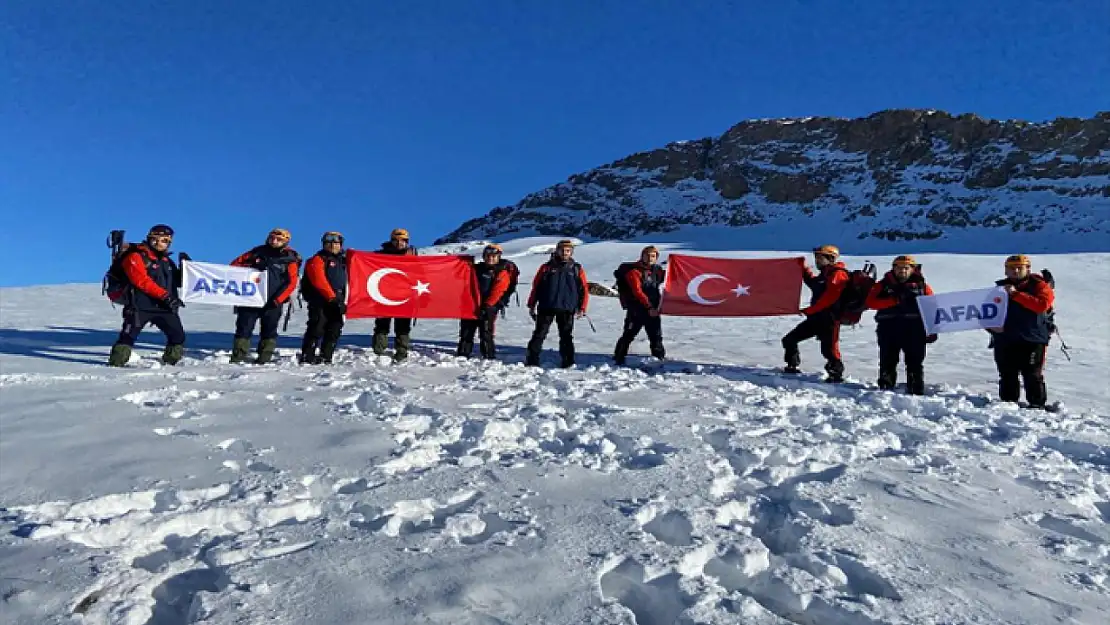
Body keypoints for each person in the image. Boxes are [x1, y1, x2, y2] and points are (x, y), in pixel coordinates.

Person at [107, 224, 186, 367]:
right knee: (127, 338)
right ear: (149, 238)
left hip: (164, 307)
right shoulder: (135, 256)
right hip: (139, 306)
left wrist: (186, 267)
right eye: (155, 239)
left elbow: (178, 282)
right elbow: (141, 280)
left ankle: (170, 366)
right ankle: (114, 367)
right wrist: (166, 296)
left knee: (178, 336)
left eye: (164, 240)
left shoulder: (167, 261)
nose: (159, 243)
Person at [990, 254, 1056, 409]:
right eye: (1012, 268)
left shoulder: (1039, 286)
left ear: (1028, 269)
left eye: (1020, 267)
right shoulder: (999, 288)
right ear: (1006, 271)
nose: (1016, 271)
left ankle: (1037, 406)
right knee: (1007, 374)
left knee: (1032, 375)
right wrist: (991, 328)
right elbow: (986, 313)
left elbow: (1042, 305)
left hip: (1033, 338)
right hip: (1005, 338)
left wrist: (1015, 294)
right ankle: (1008, 405)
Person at [864, 255, 936, 394]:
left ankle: (915, 390)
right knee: (887, 361)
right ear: (893, 269)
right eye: (899, 268)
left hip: (914, 329)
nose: (902, 271)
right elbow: (870, 302)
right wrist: (894, 301)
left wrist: (932, 330)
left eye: (906, 268)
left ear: (912, 269)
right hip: (888, 329)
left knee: (915, 362)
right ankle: (885, 389)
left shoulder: (922, 286)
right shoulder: (883, 284)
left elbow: (932, 308)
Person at [229, 228, 301, 364]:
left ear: (285, 241)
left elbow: (291, 282)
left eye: (278, 239)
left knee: (269, 330)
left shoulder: (290, 258)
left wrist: (278, 300)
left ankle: (264, 357)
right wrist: (249, 265)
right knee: (244, 327)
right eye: (271, 238)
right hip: (251, 298)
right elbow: (234, 265)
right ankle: (238, 356)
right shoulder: (257, 252)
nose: (274, 241)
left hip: (273, 301)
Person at [782, 244, 848, 382]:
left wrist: (809, 310)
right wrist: (802, 268)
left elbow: (830, 297)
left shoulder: (838, 274)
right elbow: (814, 283)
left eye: (820, 257)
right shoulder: (824, 274)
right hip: (816, 318)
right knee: (789, 340)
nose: (817, 260)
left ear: (831, 258)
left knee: (830, 350)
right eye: (816, 257)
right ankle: (792, 365)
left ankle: (836, 375)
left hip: (829, 319)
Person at [525, 240, 589, 368]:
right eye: (562, 250)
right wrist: (531, 304)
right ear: (557, 251)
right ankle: (532, 359)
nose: (565, 253)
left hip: (567, 308)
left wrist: (582, 307)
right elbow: (536, 286)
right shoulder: (546, 267)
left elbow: (583, 289)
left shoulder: (576, 268)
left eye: (568, 251)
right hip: (546, 306)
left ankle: (568, 361)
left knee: (566, 336)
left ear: (571, 252)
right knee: (539, 334)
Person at [299, 231, 348, 365]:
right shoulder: (318, 259)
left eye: (336, 243)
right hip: (320, 299)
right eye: (329, 243)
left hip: (338, 299)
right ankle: (307, 356)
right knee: (317, 327)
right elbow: (318, 280)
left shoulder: (344, 261)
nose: (332, 246)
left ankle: (326, 356)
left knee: (335, 328)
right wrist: (331, 298)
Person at [456, 243, 512, 360]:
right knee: (466, 331)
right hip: (471, 305)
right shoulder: (476, 269)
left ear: (498, 257)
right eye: (488, 255)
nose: (490, 258)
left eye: (493, 256)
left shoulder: (501, 272)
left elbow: (499, 290)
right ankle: (463, 354)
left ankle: (488, 356)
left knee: (486, 333)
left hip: (488, 307)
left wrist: (488, 306)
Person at [613, 245, 666, 365]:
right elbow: (637, 292)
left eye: (653, 256)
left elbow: (670, 277)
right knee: (629, 334)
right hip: (637, 310)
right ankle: (619, 357)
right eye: (647, 255)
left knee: (656, 335)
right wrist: (649, 306)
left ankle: (659, 358)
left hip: (653, 309)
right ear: (642, 256)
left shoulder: (656, 271)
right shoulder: (634, 272)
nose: (650, 258)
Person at [372, 228, 417, 362]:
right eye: (396, 240)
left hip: (404, 296)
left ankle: (401, 351)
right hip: (384, 295)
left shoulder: (412, 256)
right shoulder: (380, 255)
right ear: (391, 240)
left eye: (402, 241)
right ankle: (378, 350)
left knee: (403, 326)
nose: (399, 243)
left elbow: (419, 274)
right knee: (382, 324)